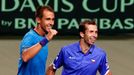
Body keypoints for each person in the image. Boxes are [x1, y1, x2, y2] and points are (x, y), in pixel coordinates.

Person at [46, 20, 112, 75]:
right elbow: (51, 69)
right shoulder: (66, 50)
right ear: (82, 34)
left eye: (96, 32)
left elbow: (107, 73)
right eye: (91, 32)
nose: (95, 35)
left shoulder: (100, 54)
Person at [17, 5, 58, 75]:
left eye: (53, 19)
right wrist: (46, 39)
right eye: (48, 19)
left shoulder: (43, 39)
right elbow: (25, 57)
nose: (51, 23)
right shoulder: (30, 36)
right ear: (38, 20)